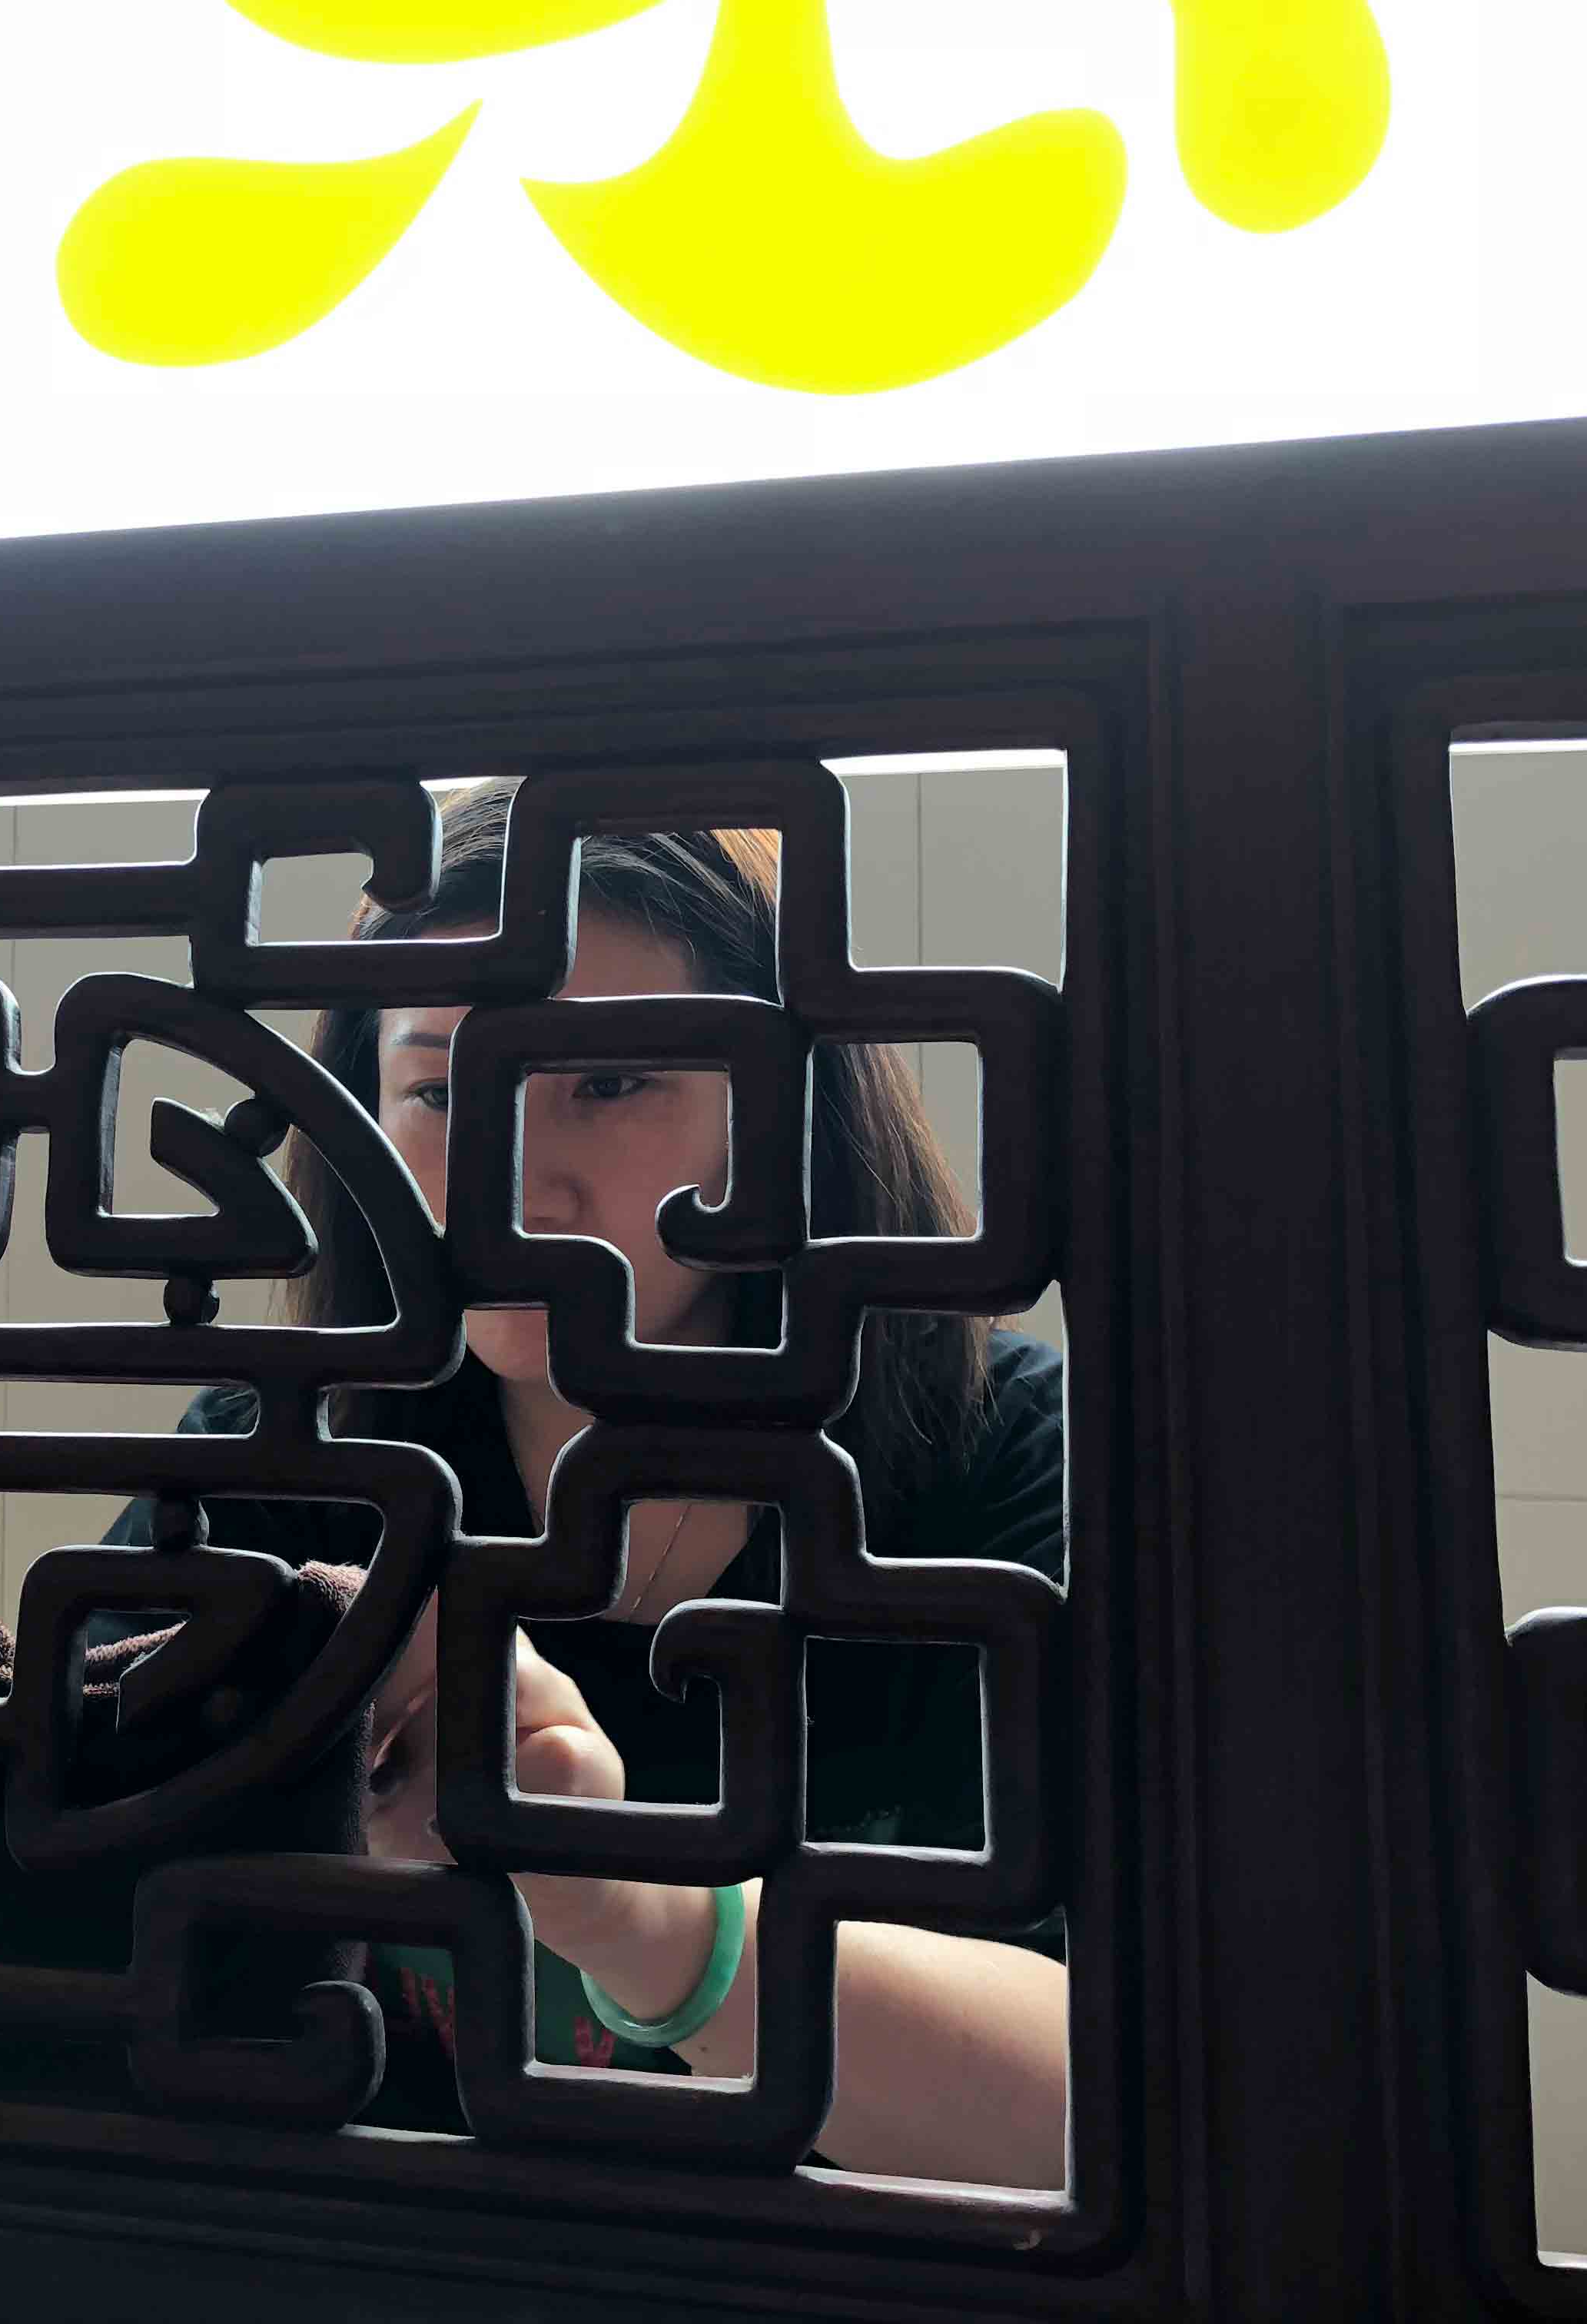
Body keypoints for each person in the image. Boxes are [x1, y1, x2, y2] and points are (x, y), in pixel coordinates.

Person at [100, 779, 1071, 2185]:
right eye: (439, 1091)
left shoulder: (999, 1457)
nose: (512, 1187)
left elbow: (1128, 2106)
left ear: (776, 1104)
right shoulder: (289, 1462)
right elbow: (77, 1943)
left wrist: (626, 1904)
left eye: (610, 1085)